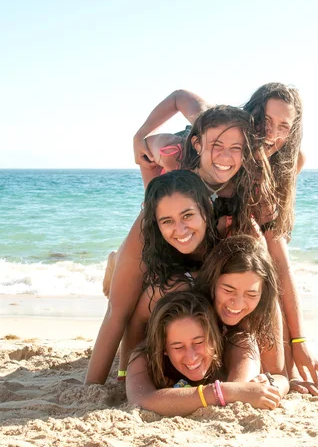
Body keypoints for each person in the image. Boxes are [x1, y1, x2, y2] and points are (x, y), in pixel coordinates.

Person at [132, 85, 318, 393]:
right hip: (181, 229)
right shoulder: (211, 136)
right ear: (249, 117)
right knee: (146, 272)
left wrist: (296, 350)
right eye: (264, 121)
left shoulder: (284, 162)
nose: (271, 133)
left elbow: (280, 265)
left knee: (262, 267)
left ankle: (277, 367)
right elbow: (179, 96)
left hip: (222, 241)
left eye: (283, 126)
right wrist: (141, 136)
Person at [86, 103, 270, 385]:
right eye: (217, 145)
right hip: (155, 262)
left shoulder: (232, 219)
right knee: (153, 289)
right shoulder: (158, 208)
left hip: (194, 273)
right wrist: (110, 380)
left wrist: (282, 371)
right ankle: (117, 262)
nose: (225, 155)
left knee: (226, 291)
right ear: (196, 144)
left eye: (235, 147)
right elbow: (120, 314)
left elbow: (267, 287)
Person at [130, 235, 289, 399]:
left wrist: (269, 384)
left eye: (251, 294)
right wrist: (124, 371)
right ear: (212, 282)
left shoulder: (260, 310)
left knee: (245, 341)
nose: (237, 304)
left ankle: (236, 395)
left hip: (223, 357)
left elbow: (280, 376)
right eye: (228, 290)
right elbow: (137, 321)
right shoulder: (181, 291)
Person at [126, 291, 284, 416]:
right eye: (178, 347)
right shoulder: (144, 356)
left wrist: (269, 385)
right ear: (164, 348)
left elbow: (277, 381)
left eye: (199, 342)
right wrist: (222, 392)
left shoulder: (238, 343)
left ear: (216, 337)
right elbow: (141, 400)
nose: (191, 356)